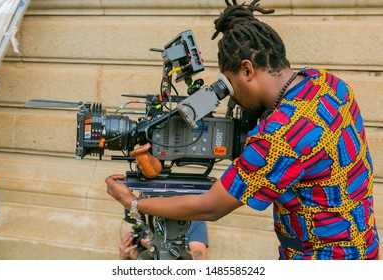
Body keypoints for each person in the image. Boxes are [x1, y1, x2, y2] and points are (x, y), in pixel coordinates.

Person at [106, 0, 380, 260]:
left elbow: (210, 207)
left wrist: (132, 201)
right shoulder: (327, 83)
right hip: (362, 246)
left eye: (232, 83)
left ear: (247, 69)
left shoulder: (280, 135)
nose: (233, 96)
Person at [119, 221, 208, 260]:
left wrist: (158, 246)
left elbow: (199, 260)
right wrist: (124, 256)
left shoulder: (193, 219)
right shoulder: (141, 218)